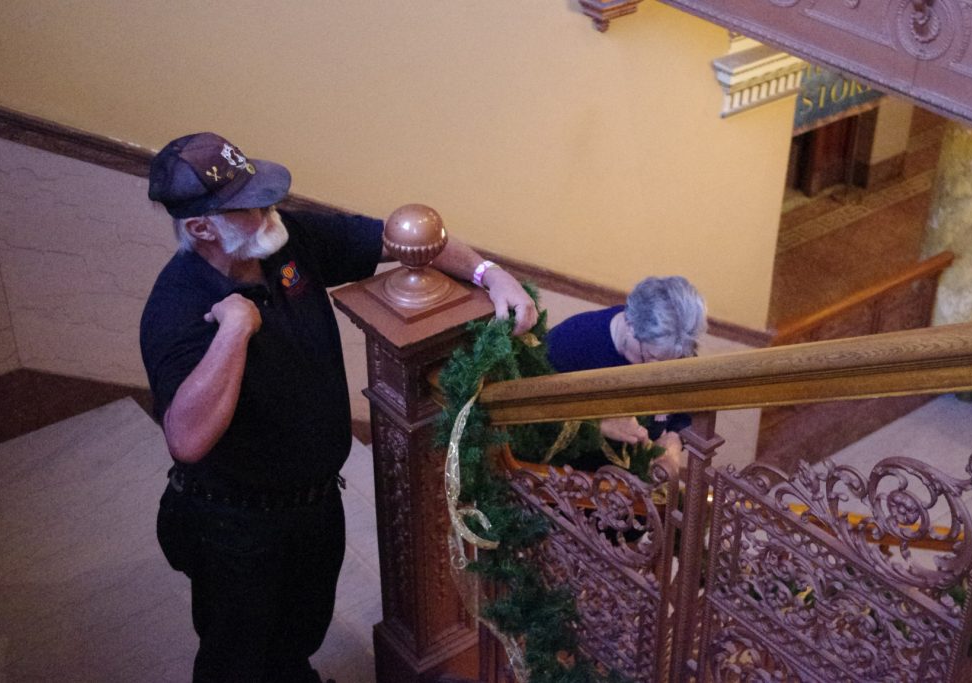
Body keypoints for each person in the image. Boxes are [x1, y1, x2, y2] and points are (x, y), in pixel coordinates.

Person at [139, 131, 537, 683]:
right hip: (232, 521)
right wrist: (233, 330)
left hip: (314, 500)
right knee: (237, 655)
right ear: (203, 228)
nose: (269, 210)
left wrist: (490, 275)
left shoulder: (288, 240)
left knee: (300, 631)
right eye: (249, 206)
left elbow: (405, 238)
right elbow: (186, 439)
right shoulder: (176, 305)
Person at [545, 275, 707, 457]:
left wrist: (675, 437)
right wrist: (597, 423)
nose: (657, 374)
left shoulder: (673, 351)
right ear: (630, 323)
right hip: (564, 473)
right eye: (650, 357)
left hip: (632, 475)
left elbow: (684, 410)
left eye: (670, 364)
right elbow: (533, 419)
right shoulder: (571, 341)